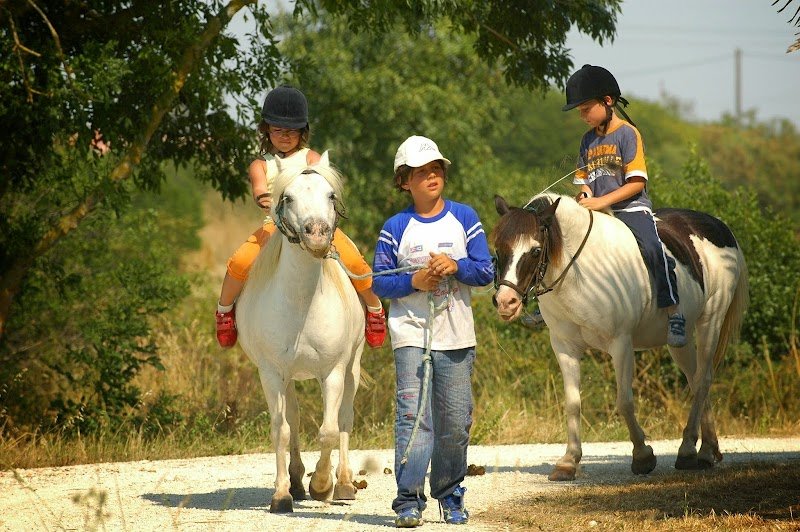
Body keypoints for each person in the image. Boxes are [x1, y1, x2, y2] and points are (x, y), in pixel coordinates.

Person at [372, 136, 494, 527]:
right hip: (410, 336)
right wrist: (416, 282)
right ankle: (408, 499)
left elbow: (486, 271)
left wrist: (456, 265)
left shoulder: (465, 217)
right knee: (413, 418)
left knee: (455, 422)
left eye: (436, 169)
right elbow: (378, 282)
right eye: (421, 172)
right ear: (404, 181)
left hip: (457, 337)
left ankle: (449, 491)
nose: (432, 176)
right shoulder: (395, 228)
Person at [215, 85, 386, 349]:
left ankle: (374, 310)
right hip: (277, 224)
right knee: (241, 260)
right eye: (278, 130)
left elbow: (323, 186)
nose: (285, 136)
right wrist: (264, 198)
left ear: (302, 131)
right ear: (266, 130)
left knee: (354, 260)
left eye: (292, 130)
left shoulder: (312, 157)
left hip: (315, 222)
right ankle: (225, 312)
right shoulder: (260, 164)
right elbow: (260, 188)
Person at [563, 64, 686, 347]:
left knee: (654, 248)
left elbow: (636, 183)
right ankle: (550, 307)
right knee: (560, 241)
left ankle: (673, 312)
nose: (582, 116)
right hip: (596, 212)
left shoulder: (628, 134)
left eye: (584, 109)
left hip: (630, 211)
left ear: (607, 101)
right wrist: (584, 196)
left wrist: (601, 201)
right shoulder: (587, 140)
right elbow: (585, 181)